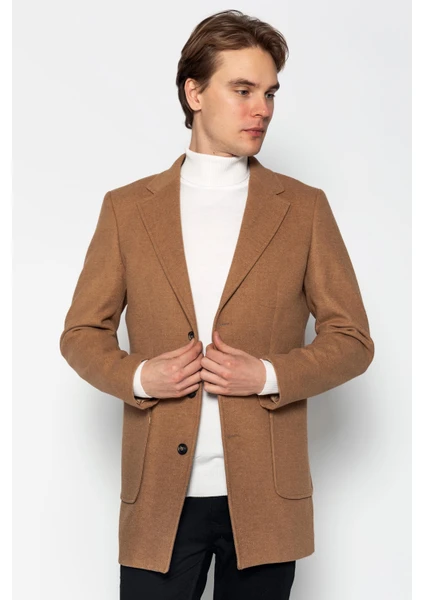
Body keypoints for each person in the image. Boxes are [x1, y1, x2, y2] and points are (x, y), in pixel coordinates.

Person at [59, 9, 375, 600]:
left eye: (270, 93)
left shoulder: (303, 208)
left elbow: (353, 340)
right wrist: (140, 376)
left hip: (267, 501)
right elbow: (80, 333)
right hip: (159, 496)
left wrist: (269, 374)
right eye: (243, 90)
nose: (263, 109)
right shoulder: (127, 209)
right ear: (195, 93)